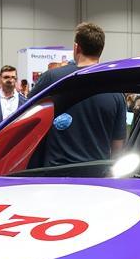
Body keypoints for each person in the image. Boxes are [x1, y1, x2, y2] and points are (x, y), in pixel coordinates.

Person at [30, 22, 127, 166]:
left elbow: (25, 116)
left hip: (54, 174)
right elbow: (118, 147)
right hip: (96, 176)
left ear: (77, 47)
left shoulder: (51, 78)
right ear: (101, 50)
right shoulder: (116, 91)